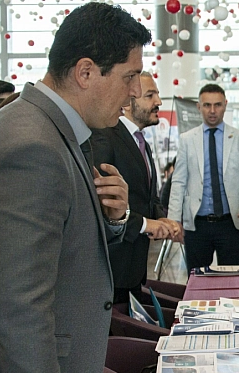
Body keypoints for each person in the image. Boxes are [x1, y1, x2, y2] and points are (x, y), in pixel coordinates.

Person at [0, 3, 146, 373]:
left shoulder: (46, 129)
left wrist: (115, 220)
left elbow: (65, 246)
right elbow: (22, 312)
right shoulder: (33, 148)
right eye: (129, 76)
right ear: (86, 72)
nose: (134, 91)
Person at [91, 71, 181, 304]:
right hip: (112, 271)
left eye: (158, 94)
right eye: (150, 95)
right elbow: (101, 204)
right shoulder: (105, 138)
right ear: (128, 102)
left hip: (135, 268)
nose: (158, 102)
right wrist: (144, 224)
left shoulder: (141, 142)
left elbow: (147, 198)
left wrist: (161, 219)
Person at [168, 84, 239, 272]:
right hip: (197, 224)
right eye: (207, 105)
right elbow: (178, 181)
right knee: (197, 280)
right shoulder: (187, 139)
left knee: (233, 279)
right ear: (198, 107)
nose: (212, 111)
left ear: (225, 105)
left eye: (217, 105)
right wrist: (174, 219)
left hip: (231, 222)